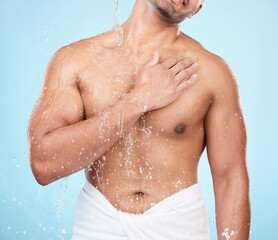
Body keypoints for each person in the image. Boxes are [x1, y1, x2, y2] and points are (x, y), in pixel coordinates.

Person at [27, 0, 251, 239]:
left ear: (197, 9)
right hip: (98, 225)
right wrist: (139, 100)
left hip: (179, 226)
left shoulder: (212, 72)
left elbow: (230, 178)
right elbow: (44, 165)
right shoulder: (75, 61)